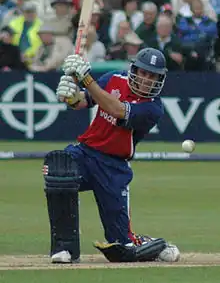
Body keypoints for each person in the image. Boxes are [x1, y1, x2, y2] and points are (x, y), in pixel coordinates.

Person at [43, 47, 180, 264]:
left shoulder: (153, 108)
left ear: (159, 79)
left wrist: (86, 78)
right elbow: (83, 101)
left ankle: (154, 245)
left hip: (113, 167)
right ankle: (65, 248)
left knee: (121, 246)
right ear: (134, 69)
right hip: (85, 153)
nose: (146, 80)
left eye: (152, 76)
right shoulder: (115, 78)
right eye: (143, 73)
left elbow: (115, 109)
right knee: (60, 169)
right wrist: (70, 95)